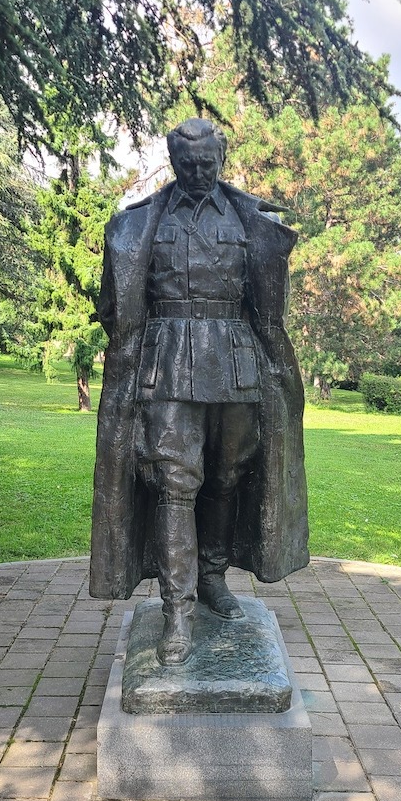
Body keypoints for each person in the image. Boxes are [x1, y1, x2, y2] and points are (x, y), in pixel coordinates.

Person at [89, 118, 308, 665]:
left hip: (236, 360)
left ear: (222, 157)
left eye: (207, 163)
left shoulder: (248, 217)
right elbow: (112, 305)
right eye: (187, 165)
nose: (198, 172)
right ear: (172, 162)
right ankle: (177, 611)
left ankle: (211, 575)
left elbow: (267, 304)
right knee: (175, 482)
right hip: (165, 359)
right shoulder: (139, 222)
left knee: (229, 474)